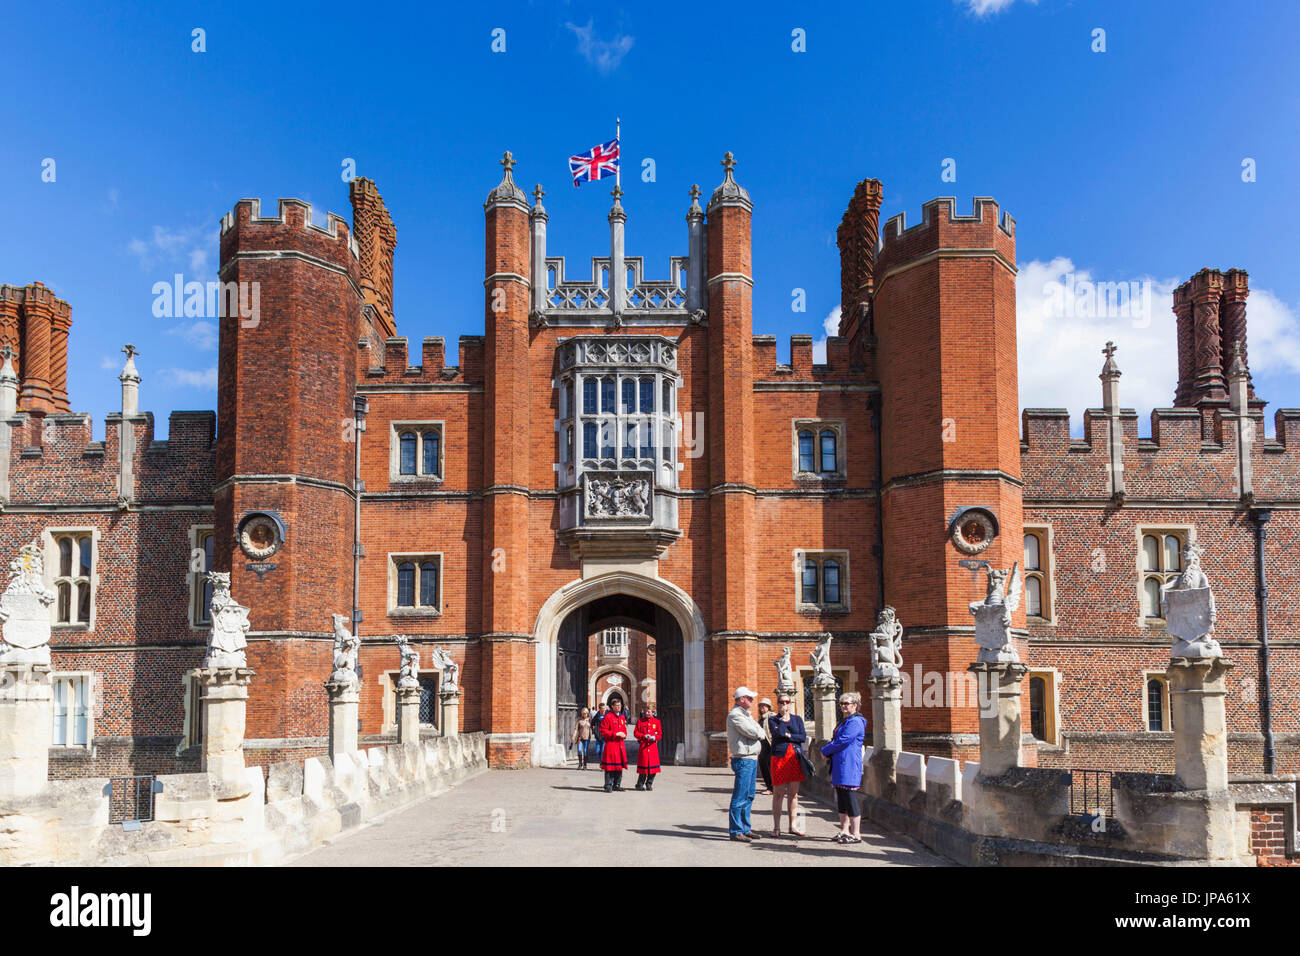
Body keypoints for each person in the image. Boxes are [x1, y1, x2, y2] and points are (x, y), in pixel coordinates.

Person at [820, 691, 867, 844]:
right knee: (841, 798)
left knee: (850, 797)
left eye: (847, 703)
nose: (843, 706)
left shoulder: (856, 722)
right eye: (841, 703)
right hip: (839, 763)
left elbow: (843, 740)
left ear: (855, 705)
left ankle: (856, 833)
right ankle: (844, 830)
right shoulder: (845, 721)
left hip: (850, 764)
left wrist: (825, 750)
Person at [726, 686, 766, 843]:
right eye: (749, 698)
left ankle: (745, 828)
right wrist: (760, 733)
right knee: (740, 796)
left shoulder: (746, 714)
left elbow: (757, 729)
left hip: (751, 758)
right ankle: (736, 830)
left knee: (749, 795)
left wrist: (759, 732)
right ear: (741, 699)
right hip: (743, 759)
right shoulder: (735, 715)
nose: (752, 700)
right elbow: (754, 732)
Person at [767, 693, 807, 837]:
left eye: (787, 701)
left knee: (793, 794)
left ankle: (793, 826)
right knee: (778, 794)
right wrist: (783, 720)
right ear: (777, 704)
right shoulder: (773, 719)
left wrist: (789, 736)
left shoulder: (797, 719)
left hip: (795, 758)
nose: (784, 704)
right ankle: (776, 827)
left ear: (791, 703)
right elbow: (778, 733)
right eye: (781, 702)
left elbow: (802, 737)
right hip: (779, 758)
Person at [598, 697, 629, 792]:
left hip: (620, 745)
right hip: (611, 745)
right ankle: (608, 784)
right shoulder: (608, 717)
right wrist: (615, 734)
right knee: (610, 766)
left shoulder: (622, 717)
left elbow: (624, 729)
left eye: (620, 705)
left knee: (619, 766)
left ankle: (617, 784)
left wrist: (624, 734)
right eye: (617, 705)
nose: (619, 707)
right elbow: (603, 730)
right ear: (612, 706)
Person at [634, 707, 662, 790]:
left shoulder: (657, 722)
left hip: (652, 747)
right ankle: (640, 784)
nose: (647, 713)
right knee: (643, 768)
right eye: (646, 712)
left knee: (653, 768)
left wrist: (655, 737)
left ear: (653, 713)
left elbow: (660, 734)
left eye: (649, 712)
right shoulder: (640, 721)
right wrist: (643, 736)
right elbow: (636, 733)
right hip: (644, 747)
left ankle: (649, 783)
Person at [756, 698, 774, 795]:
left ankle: (772, 788)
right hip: (762, 746)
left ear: (769, 707)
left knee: (770, 767)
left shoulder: (772, 717)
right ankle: (769, 787)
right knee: (764, 767)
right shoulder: (761, 718)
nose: (763, 707)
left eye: (765, 705)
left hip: (770, 745)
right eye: (761, 705)